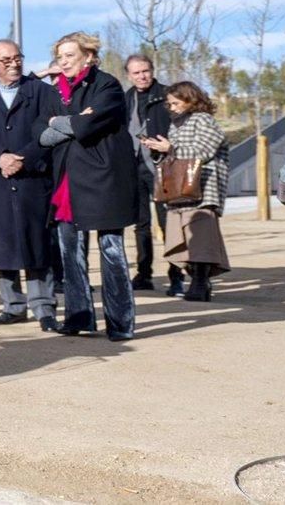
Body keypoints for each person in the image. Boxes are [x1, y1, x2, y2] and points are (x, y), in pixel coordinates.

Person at [37, 31, 137, 341]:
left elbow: (86, 125)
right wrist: (62, 124)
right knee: (70, 254)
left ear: (88, 56)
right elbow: (41, 134)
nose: (63, 61)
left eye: (69, 55)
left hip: (105, 179)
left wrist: (63, 123)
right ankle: (79, 318)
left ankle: (121, 324)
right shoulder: (54, 92)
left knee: (111, 252)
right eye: (60, 56)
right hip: (67, 181)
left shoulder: (106, 85)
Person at [0, 39, 61, 332]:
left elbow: (50, 130)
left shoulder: (42, 92)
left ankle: (44, 307)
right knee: (2, 243)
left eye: (17, 58)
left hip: (33, 178)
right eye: (5, 60)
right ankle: (13, 306)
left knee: (37, 243)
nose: (13, 64)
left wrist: (24, 158)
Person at [143, 81, 230, 301]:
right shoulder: (177, 124)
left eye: (175, 102)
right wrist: (159, 151)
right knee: (180, 236)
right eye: (169, 104)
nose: (171, 107)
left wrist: (171, 148)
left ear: (189, 99)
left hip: (202, 188)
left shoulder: (204, 120)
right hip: (178, 190)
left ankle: (200, 282)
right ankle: (197, 281)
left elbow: (205, 150)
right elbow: (175, 157)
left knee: (200, 238)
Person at [124, 54, 176, 293]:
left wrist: (170, 146)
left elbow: (181, 126)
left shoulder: (167, 95)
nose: (142, 76)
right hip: (134, 169)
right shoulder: (126, 99)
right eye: (136, 73)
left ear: (152, 70)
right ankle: (143, 274)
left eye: (145, 71)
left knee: (168, 222)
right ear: (129, 75)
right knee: (141, 224)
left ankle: (176, 275)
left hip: (162, 166)